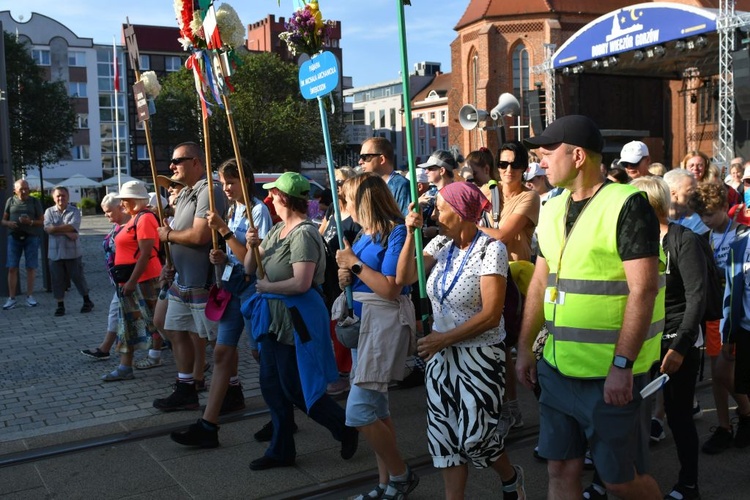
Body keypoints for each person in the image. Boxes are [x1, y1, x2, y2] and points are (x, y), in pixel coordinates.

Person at [516, 115, 664, 498]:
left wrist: (621, 366)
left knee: (619, 479)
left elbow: (644, 290)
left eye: (548, 153)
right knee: (560, 469)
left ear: (578, 155)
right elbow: (539, 282)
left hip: (608, 376)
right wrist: (525, 350)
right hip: (557, 365)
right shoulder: (550, 208)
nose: (540, 162)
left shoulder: (628, 205)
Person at [396, 181, 526, 499]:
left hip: (480, 357)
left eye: (440, 209)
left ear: (462, 212)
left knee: (475, 437)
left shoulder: (490, 249)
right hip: (442, 358)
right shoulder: (440, 243)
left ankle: (511, 478)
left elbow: (492, 315)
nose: (434, 215)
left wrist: (443, 339)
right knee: (444, 439)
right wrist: (408, 235)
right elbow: (404, 278)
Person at [242, 171, 358, 471]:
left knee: (296, 387)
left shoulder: (304, 233)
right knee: (271, 384)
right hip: (272, 318)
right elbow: (249, 267)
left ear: (283, 198)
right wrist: (251, 245)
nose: (269, 198)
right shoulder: (276, 230)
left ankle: (344, 428)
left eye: (273, 194)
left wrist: (267, 288)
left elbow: (302, 283)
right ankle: (281, 449)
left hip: (297, 318)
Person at [171, 158, 273, 447]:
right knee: (221, 353)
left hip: (252, 290)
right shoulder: (233, 209)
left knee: (259, 355)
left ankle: (281, 412)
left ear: (245, 180)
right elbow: (234, 254)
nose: (226, 187)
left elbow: (253, 263)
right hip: (231, 288)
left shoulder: (258, 212)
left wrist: (226, 232)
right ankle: (208, 424)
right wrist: (221, 256)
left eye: (231, 181)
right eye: (223, 181)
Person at [335, 173, 418, 500]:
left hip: (381, 322)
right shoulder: (364, 234)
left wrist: (353, 265)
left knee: (358, 412)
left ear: (363, 201)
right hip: (363, 323)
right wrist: (346, 272)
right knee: (377, 408)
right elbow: (358, 276)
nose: (344, 205)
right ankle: (387, 485)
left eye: (348, 198)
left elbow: (390, 288)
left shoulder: (395, 231)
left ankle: (400, 474)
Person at [631, 177, 704, 500]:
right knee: (629, 418)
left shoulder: (683, 240)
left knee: (678, 417)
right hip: (642, 343)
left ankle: (689, 484)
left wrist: (680, 347)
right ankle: (618, 478)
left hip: (676, 342)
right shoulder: (633, 243)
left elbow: (697, 298)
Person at [152, 142, 227, 411]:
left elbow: (200, 236)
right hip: (181, 280)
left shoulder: (209, 191)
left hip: (203, 282)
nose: (171, 166)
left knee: (219, 341)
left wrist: (168, 235)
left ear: (196, 162)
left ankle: (231, 389)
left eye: (177, 161)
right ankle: (185, 388)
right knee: (172, 328)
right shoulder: (187, 193)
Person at [689, 182, 750, 454]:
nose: (705, 220)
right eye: (701, 215)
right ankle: (726, 426)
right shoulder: (705, 236)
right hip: (714, 315)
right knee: (717, 375)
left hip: (734, 317)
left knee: (724, 372)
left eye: (711, 214)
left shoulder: (742, 236)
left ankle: (746, 416)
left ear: (725, 207)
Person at [101, 181, 163, 381]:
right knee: (127, 324)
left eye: (124, 200)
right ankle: (124, 366)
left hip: (143, 281)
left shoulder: (144, 219)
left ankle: (191, 361)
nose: (122, 204)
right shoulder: (136, 218)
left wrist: (131, 282)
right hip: (132, 281)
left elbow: (145, 254)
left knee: (158, 324)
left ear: (134, 200)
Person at [79, 194, 132, 360]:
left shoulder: (129, 226)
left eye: (109, 211)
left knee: (122, 314)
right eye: (104, 212)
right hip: (119, 279)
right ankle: (106, 348)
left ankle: (106, 349)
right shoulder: (117, 226)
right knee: (119, 314)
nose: (106, 215)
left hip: (128, 278)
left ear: (120, 208)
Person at [43, 186, 94, 317]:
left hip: (73, 252)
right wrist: (67, 232)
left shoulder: (74, 211)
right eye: (58, 196)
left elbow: (73, 226)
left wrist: (56, 229)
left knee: (78, 277)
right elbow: (48, 229)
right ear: (54, 198)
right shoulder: (49, 212)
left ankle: (87, 301)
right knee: (57, 279)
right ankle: (60, 305)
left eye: (63, 196)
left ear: (68, 197)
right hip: (55, 253)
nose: (61, 198)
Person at [2, 179, 43, 309]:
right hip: (14, 237)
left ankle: (30, 296)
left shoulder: (34, 201)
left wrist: (30, 222)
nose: (25, 191)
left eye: (26, 188)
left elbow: (42, 221)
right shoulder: (10, 201)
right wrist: (8, 223)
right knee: (12, 267)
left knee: (31, 267)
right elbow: (3, 220)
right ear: (15, 190)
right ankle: (11, 298)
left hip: (31, 237)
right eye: (21, 189)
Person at [358, 137, 411, 216]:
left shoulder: (401, 186)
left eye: (365, 157)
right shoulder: (368, 186)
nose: (360, 162)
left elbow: (404, 221)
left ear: (382, 159)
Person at [664, 169, 709, 235]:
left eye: (696, 189)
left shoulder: (700, 221)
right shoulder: (659, 218)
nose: (696, 193)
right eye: (690, 190)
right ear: (673, 193)